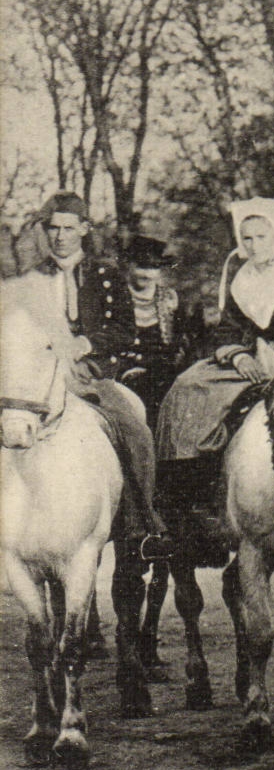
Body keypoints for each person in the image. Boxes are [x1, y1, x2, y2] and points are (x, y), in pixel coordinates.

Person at [20, 193, 170, 559]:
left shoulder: (105, 274)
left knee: (135, 429)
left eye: (68, 228)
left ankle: (142, 523)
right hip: (40, 373)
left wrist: (86, 342)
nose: (59, 236)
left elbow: (124, 330)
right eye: (53, 228)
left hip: (92, 374)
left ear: (84, 230)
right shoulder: (32, 277)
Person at [155, 199, 274, 525]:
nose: (253, 245)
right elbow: (228, 327)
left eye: (261, 237)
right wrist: (239, 354)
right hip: (243, 359)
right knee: (188, 385)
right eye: (247, 238)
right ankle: (189, 486)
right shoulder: (240, 278)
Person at [86, 234, 201, 428]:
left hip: (163, 373)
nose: (147, 274)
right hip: (122, 371)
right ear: (128, 266)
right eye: (141, 267)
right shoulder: (115, 298)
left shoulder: (171, 299)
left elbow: (183, 342)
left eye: (153, 268)